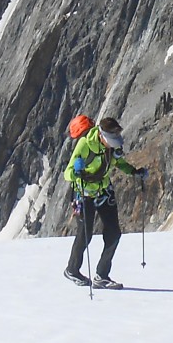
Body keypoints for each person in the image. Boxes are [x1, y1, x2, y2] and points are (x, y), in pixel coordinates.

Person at [62, 113, 142, 288]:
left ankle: (101, 275)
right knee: (85, 233)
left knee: (114, 232)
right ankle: (72, 270)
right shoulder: (84, 145)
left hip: (103, 190)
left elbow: (117, 162)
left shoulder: (109, 147)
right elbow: (67, 173)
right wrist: (75, 171)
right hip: (83, 194)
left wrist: (134, 171)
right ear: (102, 135)